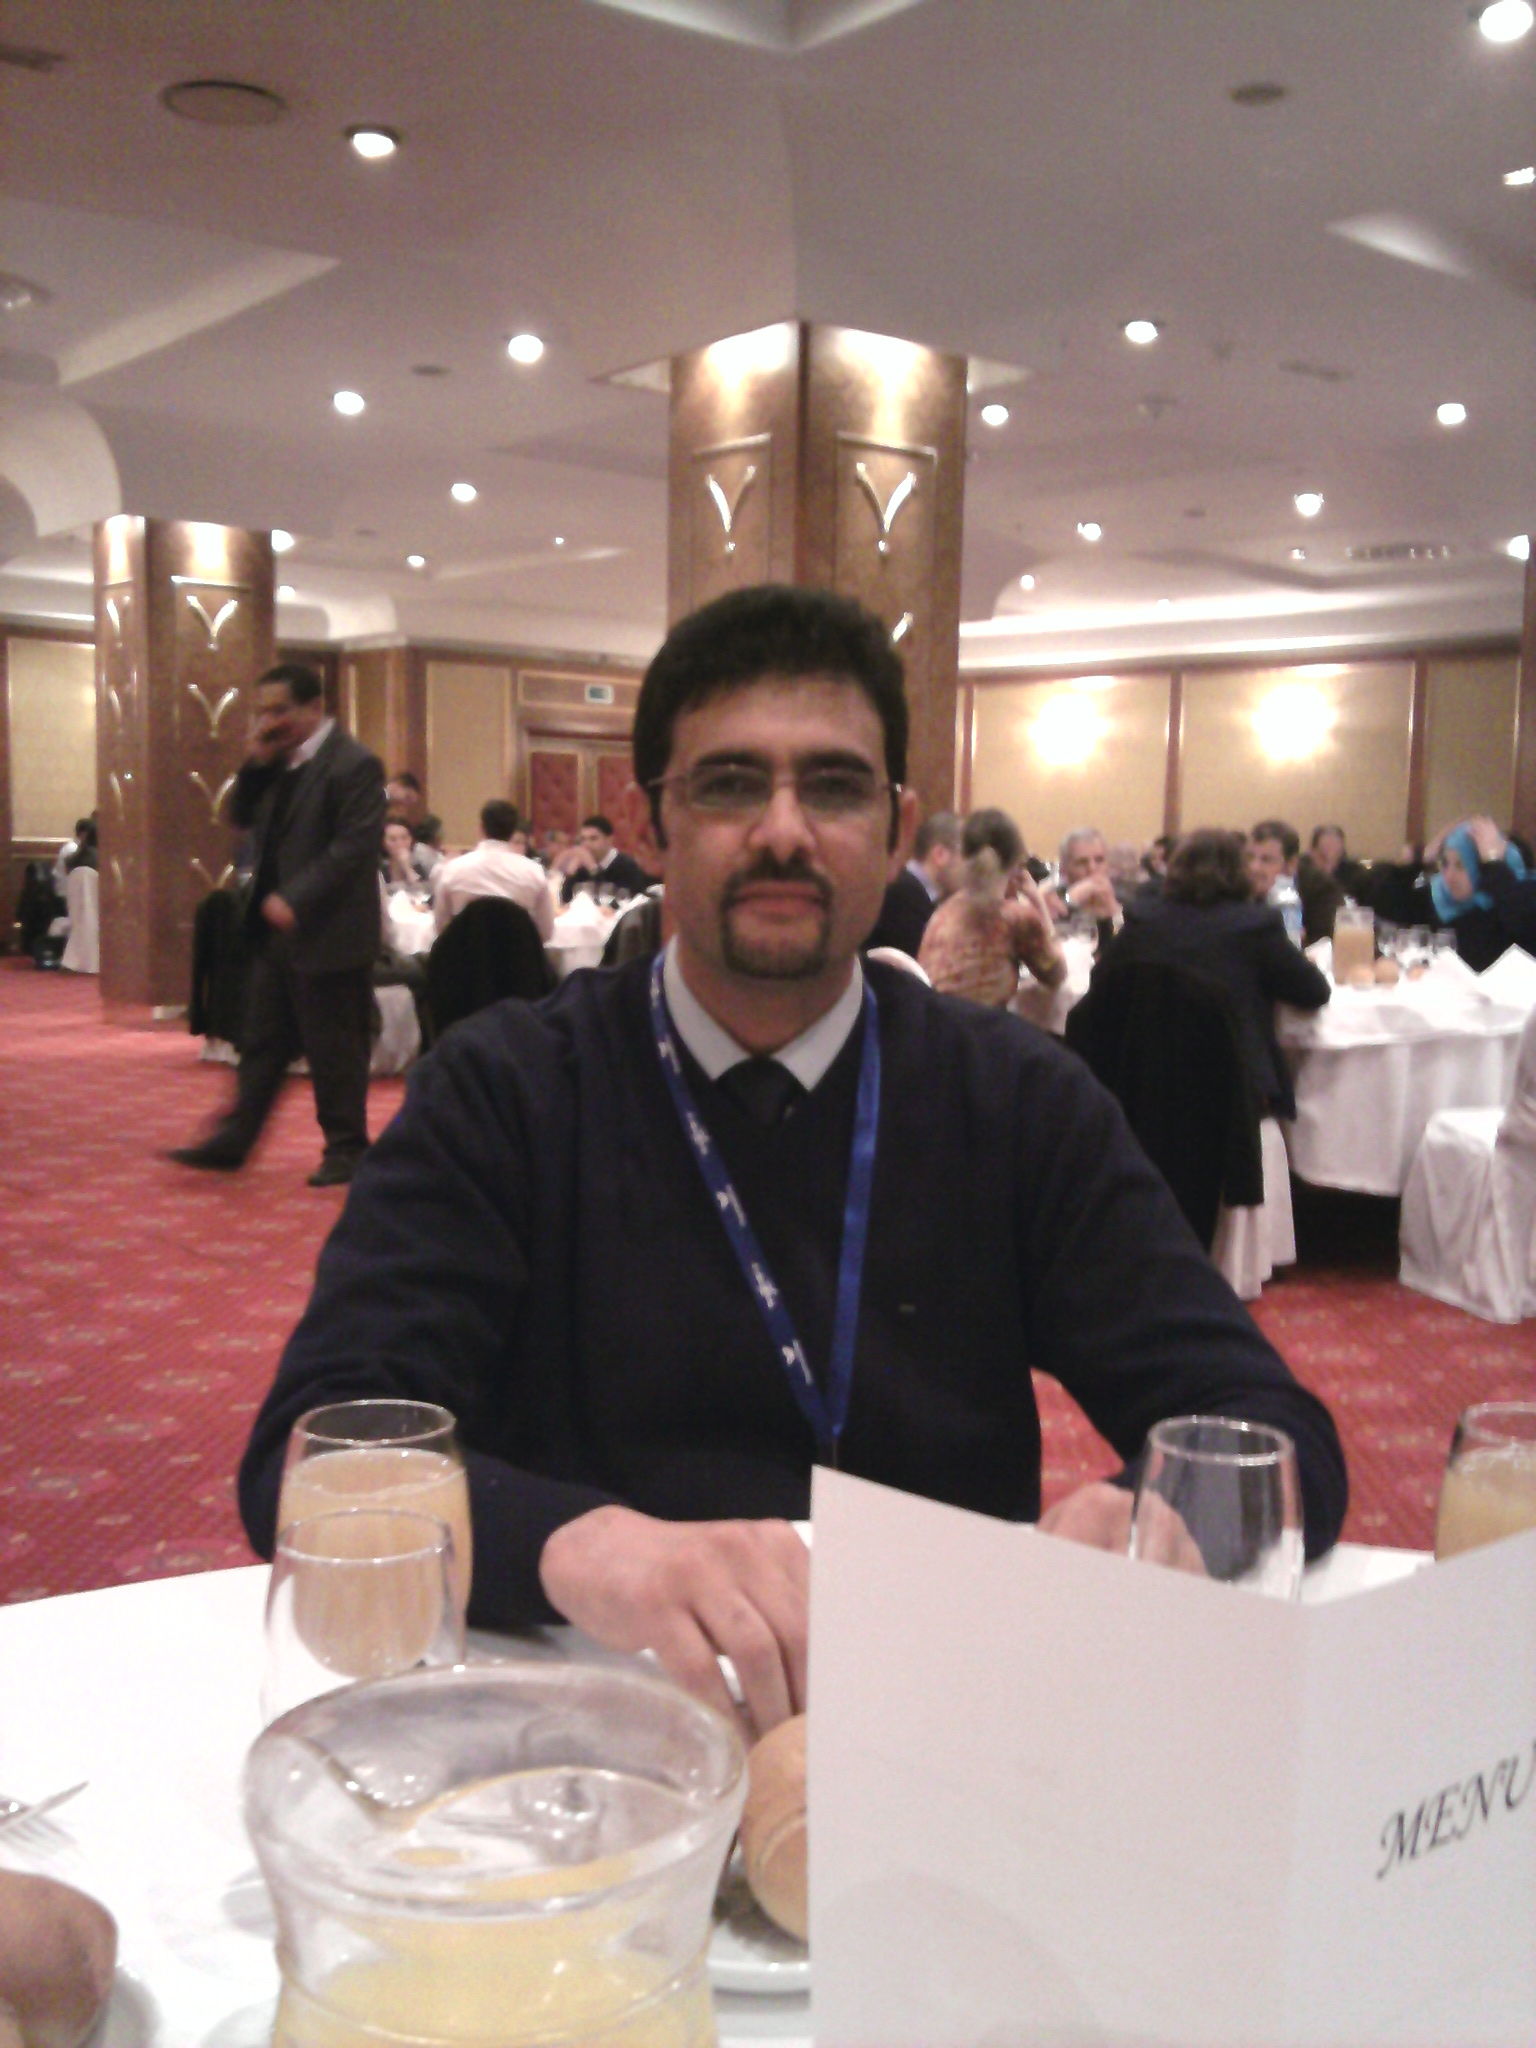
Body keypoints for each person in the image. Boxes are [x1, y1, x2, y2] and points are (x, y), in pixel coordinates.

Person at [237, 585, 1346, 1738]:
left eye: (833, 786)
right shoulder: (505, 1089)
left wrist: (1160, 1515)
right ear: (652, 821)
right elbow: (314, 1450)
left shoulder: (1016, 1096)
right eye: (728, 783)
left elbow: (1271, 1425)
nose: (783, 830)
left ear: (896, 827)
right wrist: (578, 1541)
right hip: (590, 1731)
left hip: (945, 1726)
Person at [169, 662, 385, 1187]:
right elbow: (240, 815)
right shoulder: (279, 763)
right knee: (262, 1041)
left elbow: (354, 847)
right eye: (262, 712)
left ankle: (347, 1148)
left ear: (315, 708)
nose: (270, 722)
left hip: (330, 931)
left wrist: (296, 897)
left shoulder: (354, 764)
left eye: (280, 711)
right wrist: (255, 761)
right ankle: (234, 1140)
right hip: (276, 935)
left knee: (335, 1049)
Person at [1103, 828, 1331, 1119]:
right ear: (1239, 872)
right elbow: (1314, 992)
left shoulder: (1143, 920)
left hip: (1146, 1081)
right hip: (1234, 1089)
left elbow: (1102, 982)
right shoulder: (1254, 925)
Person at [917, 808, 1066, 1006]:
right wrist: (1038, 902)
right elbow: (1057, 974)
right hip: (980, 1024)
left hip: (933, 1019)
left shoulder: (943, 912)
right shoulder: (1014, 918)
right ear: (1017, 863)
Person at [1418, 816, 1536, 973]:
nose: (1449, 876)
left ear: (1481, 868)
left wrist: (1493, 861)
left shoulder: (1517, 901)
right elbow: (1395, 910)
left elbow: (1523, 923)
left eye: (1460, 865)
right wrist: (1422, 862)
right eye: (1445, 864)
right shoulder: (1443, 897)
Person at [433, 800, 554, 939]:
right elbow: (546, 932)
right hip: (517, 951)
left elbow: (440, 928)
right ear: (513, 831)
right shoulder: (534, 872)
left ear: (481, 828)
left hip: (466, 951)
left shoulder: (453, 870)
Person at [865, 810, 960, 956]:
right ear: (940, 855)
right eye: (966, 855)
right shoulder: (903, 895)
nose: (971, 866)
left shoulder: (914, 892)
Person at [1247, 818, 1341, 947]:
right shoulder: (1239, 887)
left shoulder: (1320, 888)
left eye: (1266, 860)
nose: (1254, 867)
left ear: (1291, 864)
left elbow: (1327, 942)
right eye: (1250, 857)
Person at [559, 815, 649, 903]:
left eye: (593, 839)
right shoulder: (579, 867)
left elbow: (638, 902)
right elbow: (565, 901)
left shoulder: (626, 866)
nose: (586, 845)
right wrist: (570, 875)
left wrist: (593, 869)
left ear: (609, 840)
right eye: (583, 839)